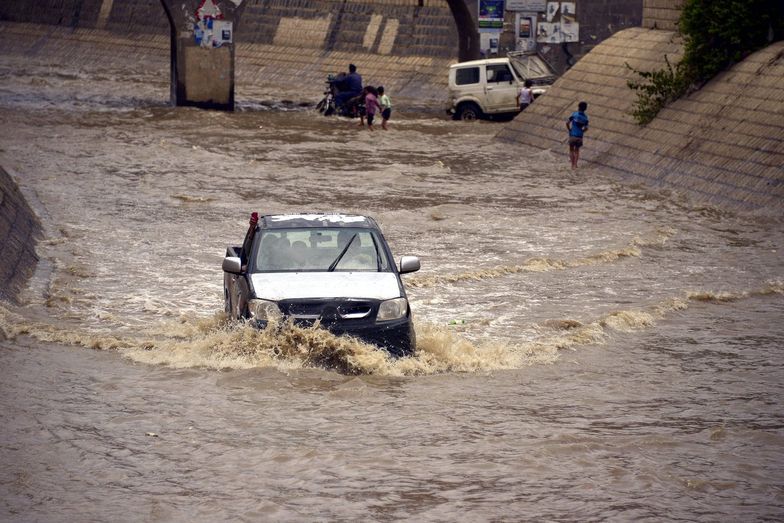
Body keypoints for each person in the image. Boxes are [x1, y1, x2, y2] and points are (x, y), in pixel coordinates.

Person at [566, 101, 589, 169]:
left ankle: (572, 165)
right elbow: (586, 128)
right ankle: (575, 165)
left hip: (572, 134)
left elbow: (567, 122)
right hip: (580, 136)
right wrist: (582, 131)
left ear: (578, 107)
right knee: (577, 150)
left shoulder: (574, 114)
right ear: (585, 109)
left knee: (571, 150)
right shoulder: (585, 118)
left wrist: (569, 129)